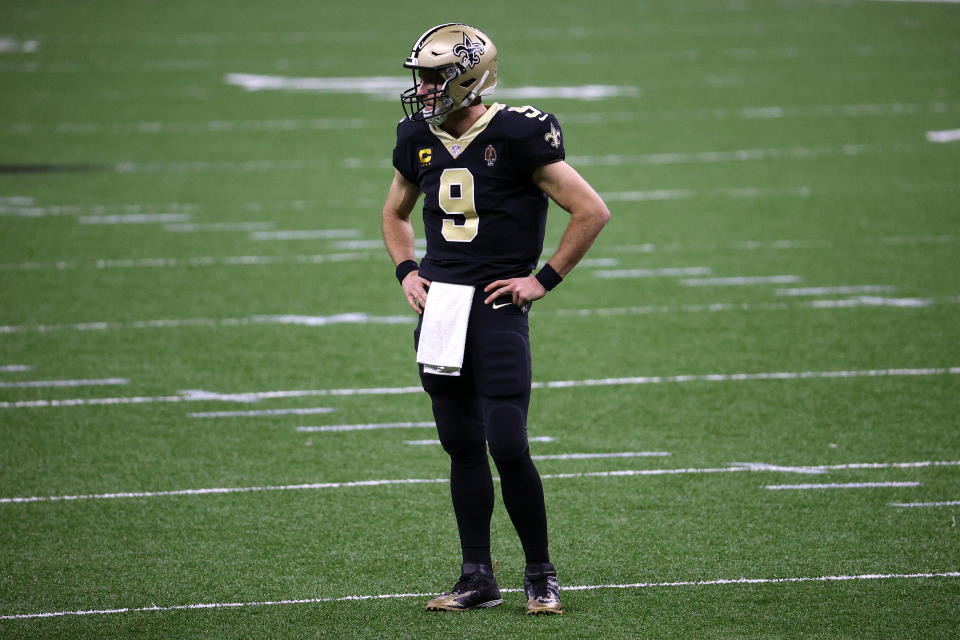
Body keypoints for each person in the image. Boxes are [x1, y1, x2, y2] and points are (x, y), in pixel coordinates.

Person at [381, 23, 610, 615]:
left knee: (507, 442)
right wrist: (408, 270)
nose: (424, 89)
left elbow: (590, 210)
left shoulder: (519, 132)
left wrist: (542, 279)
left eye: (434, 77)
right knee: (460, 444)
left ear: (468, 79)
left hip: (496, 305)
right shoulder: (417, 137)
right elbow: (394, 213)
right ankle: (476, 575)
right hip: (443, 306)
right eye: (422, 77)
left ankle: (540, 573)